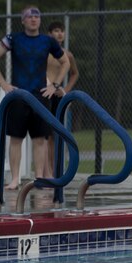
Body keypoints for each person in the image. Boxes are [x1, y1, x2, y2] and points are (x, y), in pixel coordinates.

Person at [0, 6, 69, 190]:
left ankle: (39, 178)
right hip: (19, 96)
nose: (33, 19)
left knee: (40, 139)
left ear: (40, 20)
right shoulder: (13, 39)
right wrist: (4, 84)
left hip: (40, 96)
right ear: (22, 20)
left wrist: (54, 85)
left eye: (36, 16)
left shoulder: (48, 41)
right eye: (29, 17)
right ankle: (15, 179)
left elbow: (65, 62)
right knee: (16, 138)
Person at [45, 21, 80, 179]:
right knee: (44, 135)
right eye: (56, 31)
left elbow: (74, 74)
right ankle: (46, 172)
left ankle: (55, 170)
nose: (60, 34)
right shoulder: (44, 51)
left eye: (62, 31)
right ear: (49, 34)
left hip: (58, 95)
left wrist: (65, 91)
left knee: (55, 134)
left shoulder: (68, 54)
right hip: (45, 93)